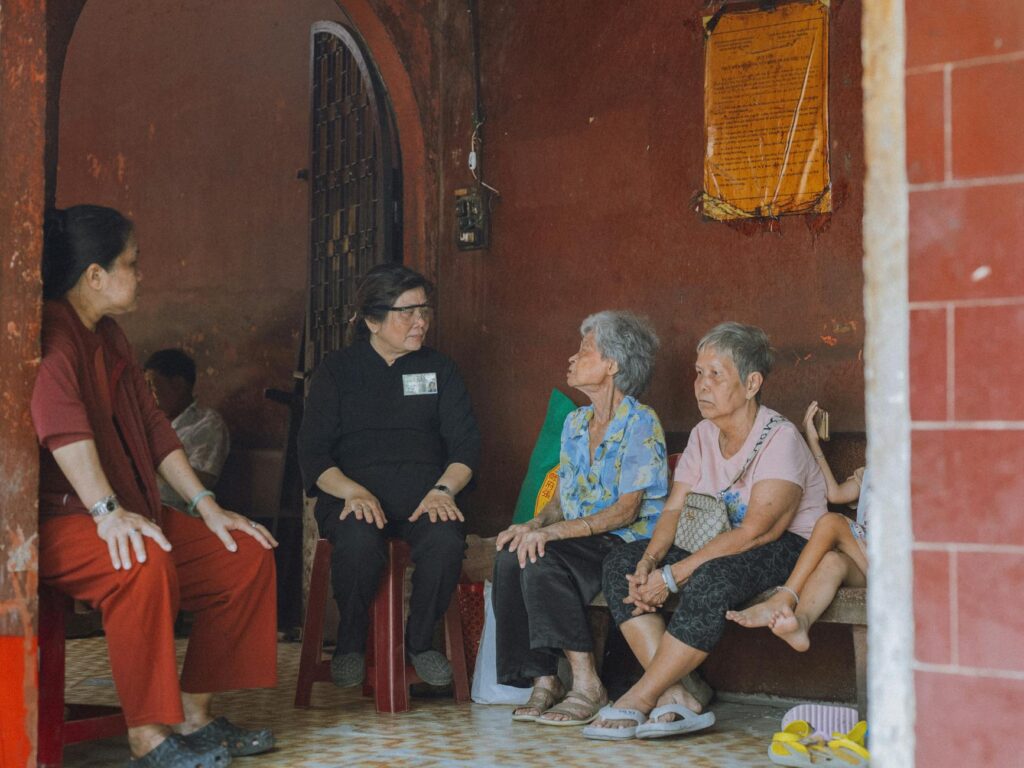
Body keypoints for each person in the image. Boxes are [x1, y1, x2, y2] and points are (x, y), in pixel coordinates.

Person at [33, 205, 279, 767]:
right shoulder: (54, 331)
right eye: (132, 263)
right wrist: (106, 510)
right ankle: (147, 737)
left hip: (132, 512)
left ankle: (193, 716)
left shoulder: (110, 335)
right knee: (140, 563)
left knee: (242, 554)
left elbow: (153, 425)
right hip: (67, 521)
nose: (142, 275)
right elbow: (59, 425)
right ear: (95, 276)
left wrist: (207, 506)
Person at [586, 322, 827, 740]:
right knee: (622, 562)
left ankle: (642, 696)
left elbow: (756, 532)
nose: (701, 385)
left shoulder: (780, 438)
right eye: (699, 373)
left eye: (715, 374)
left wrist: (673, 575)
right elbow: (674, 510)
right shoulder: (702, 434)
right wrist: (650, 562)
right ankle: (678, 693)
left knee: (710, 578)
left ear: (751, 383)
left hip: (788, 547)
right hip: (714, 541)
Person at [297, 263, 480, 689]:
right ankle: (350, 641)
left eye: (425, 311)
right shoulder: (338, 371)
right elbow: (313, 452)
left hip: (425, 496)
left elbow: (466, 448)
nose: (421, 321)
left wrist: (443, 491)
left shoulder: (440, 370)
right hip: (353, 495)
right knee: (359, 541)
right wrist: (352, 491)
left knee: (445, 538)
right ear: (371, 320)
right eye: (407, 312)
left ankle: (419, 642)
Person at [492, 311, 667, 727]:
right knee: (511, 553)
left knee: (543, 558)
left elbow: (627, 510)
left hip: (627, 541)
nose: (571, 359)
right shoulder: (575, 423)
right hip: (582, 539)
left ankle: (588, 684)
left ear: (613, 364)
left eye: (584, 350)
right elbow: (564, 500)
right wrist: (535, 526)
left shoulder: (641, 422)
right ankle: (545, 679)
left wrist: (553, 535)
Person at [725, 401, 869, 651]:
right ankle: (801, 624)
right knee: (832, 562)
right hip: (865, 563)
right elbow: (834, 494)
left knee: (831, 522)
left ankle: (783, 598)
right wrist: (812, 442)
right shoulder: (868, 474)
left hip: (895, 567)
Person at [144, 348, 230, 513]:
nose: (149, 395)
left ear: (178, 385)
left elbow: (203, 482)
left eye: (154, 386)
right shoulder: (150, 421)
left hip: (177, 512)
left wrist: (151, 463)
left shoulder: (208, 424)